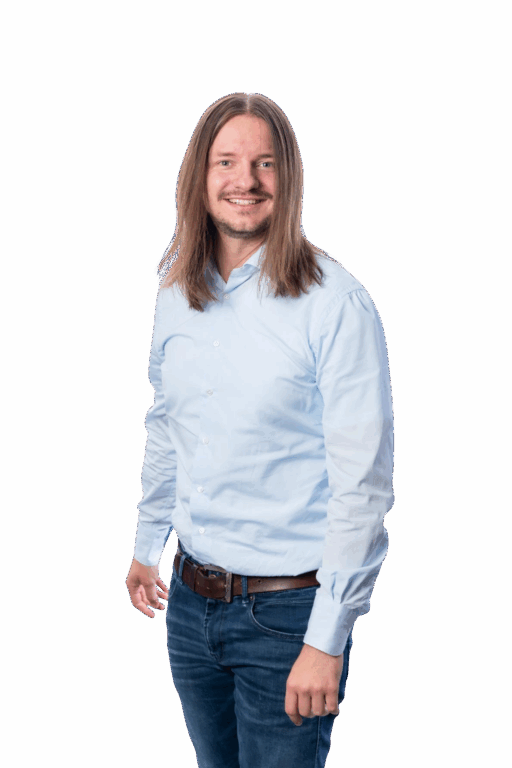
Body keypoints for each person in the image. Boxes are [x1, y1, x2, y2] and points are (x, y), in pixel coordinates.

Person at [126, 92, 394, 768]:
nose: (244, 180)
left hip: (287, 617)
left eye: (264, 163)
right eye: (227, 162)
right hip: (190, 609)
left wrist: (327, 638)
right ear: (200, 175)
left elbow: (363, 486)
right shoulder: (175, 293)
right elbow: (168, 425)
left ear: (289, 177)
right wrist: (147, 545)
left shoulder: (336, 304)